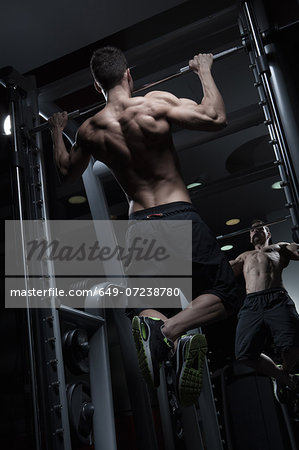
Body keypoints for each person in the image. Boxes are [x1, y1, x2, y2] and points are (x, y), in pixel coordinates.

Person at [49, 46, 238, 406]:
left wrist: (57, 131)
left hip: (139, 223)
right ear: (128, 75)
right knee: (226, 293)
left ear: (95, 86)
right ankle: (171, 332)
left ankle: (166, 334)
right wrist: (203, 70)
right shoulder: (153, 103)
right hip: (178, 213)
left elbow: (66, 172)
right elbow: (216, 118)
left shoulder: (89, 130)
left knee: (143, 305)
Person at [230, 220, 299, 401]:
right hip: (252, 304)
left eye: (260, 228)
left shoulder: (279, 247)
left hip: (277, 299)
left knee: (293, 348)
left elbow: (297, 250)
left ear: (268, 233)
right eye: (251, 229)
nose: (255, 231)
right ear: (249, 235)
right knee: (244, 354)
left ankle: (283, 374)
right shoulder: (244, 256)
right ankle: (282, 377)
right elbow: (223, 271)